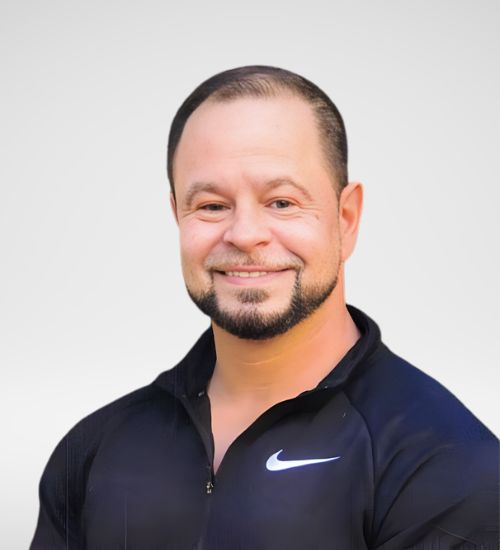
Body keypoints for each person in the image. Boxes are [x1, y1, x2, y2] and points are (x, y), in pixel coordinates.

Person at [30, 66, 498, 549]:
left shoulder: (446, 463)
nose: (245, 234)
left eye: (282, 202)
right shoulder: (93, 450)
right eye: (212, 205)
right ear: (177, 216)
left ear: (346, 217)